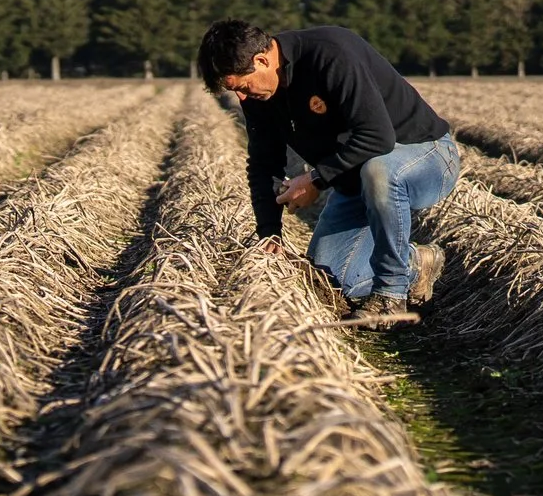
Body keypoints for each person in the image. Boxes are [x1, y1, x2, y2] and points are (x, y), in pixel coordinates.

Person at [195, 18, 460, 319]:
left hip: (426, 154)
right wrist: (270, 233)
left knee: (380, 171)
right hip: (357, 177)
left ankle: (390, 293)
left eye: (242, 87)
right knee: (330, 280)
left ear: (262, 60)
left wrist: (316, 179)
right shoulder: (260, 97)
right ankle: (415, 263)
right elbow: (263, 164)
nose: (242, 98)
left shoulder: (330, 54)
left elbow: (377, 137)